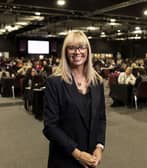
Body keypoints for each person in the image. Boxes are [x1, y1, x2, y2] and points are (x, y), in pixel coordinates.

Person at [43, 30, 106, 168]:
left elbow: (101, 118)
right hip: (64, 158)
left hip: (90, 158)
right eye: (72, 47)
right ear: (65, 52)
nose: (77, 52)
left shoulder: (97, 82)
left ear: (88, 51)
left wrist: (99, 146)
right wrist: (77, 154)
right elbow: (50, 127)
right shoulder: (54, 83)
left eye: (81, 47)